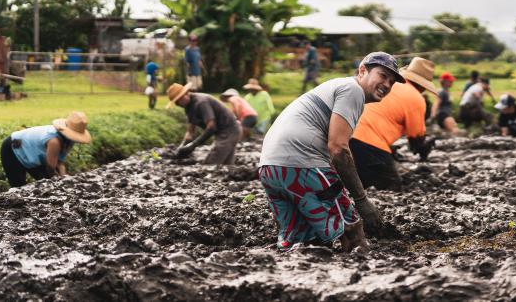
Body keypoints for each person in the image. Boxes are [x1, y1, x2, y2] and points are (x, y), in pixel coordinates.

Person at [259, 52, 404, 252]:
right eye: (383, 76)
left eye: (392, 82)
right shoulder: (353, 90)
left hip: (271, 169)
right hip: (302, 165)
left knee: (301, 243)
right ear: (363, 70)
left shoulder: (336, 86)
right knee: (350, 232)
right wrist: (361, 200)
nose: (387, 85)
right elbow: (338, 148)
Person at [351, 57, 438, 191]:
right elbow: (416, 139)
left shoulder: (390, 86)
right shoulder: (416, 98)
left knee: (358, 182)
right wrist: (424, 149)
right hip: (369, 142)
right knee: (391, 186)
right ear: (423, 85)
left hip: (348, 133)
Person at [0, 111, 92, 188]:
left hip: (33, 154)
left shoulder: (68, 140)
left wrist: (64, 179)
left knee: (47, 183)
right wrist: (60, 183)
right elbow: (51, 168)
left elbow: (60, 162)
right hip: (13, 148)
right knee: (19, 187)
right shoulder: (54, 141)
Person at [167, 82, 241, 165]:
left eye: (180, 99)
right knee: (226, 166)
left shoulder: (201, 102)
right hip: (222, 133)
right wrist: (181, 148)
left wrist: (193, 145)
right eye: (177, 102)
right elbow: (190, 132)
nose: (179, 103)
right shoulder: (188, 107)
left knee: (210, 164)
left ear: (186, 93)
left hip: (229, 130)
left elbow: (211, 127)